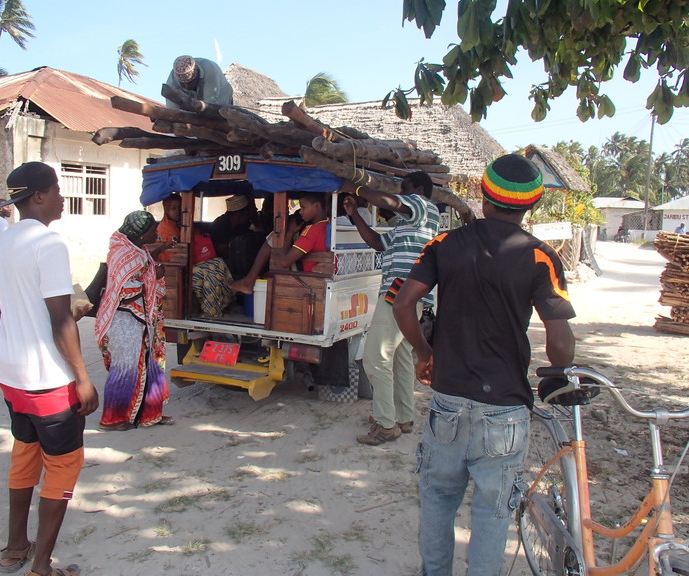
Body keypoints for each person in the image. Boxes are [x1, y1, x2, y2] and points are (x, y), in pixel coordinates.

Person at [392, 154, 576, 576]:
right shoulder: (541, 256)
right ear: (532, 205)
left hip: (449, 401)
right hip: (505, 409)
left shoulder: (445, 244)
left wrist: (424, 353)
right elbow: (560, 341)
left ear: (483, 195)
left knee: (438, 499)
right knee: (493, 512)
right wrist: (561, 370)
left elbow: (403, 304)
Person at [0, 162, 99, 576]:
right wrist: (83, 379)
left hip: (9, 375)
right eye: (58, 190)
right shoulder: (48, 244)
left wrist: (26, 315)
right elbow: (60, 319)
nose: (63, 198)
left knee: (25, 452)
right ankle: (42, 567)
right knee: (63, 465)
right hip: (48, 380)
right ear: (38, 196)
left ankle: (15, 547)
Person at [339, 173, 439, 446]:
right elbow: (376, 242)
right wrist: (354, 215)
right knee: (400, 358)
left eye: (405, 189)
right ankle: (403, 418)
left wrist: (357, 188)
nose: (401, 194)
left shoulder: (421, 205)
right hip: (408, 295)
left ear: (419, 189)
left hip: (400, 295)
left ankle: (385, 425)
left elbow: (392, 202)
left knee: (375, 358)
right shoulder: (410, 225)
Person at [94, 210, 174, 431]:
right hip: (125, 321)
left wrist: (155, 256)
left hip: (142, 320)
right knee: (125, 368)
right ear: (141, 234)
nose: (156, 233)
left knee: (151, 364)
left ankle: (150, 415)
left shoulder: (135, 250)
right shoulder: (126, 255)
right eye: (153, 230)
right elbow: (126, 292)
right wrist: (155, 276)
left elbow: (142, 266)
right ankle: (112, 419)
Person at [229, 192, 329, 294]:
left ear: (317, 206)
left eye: (303, 208)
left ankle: (248, 281)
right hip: (317, 272)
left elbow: (284, 263)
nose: (300, 212)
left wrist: (290, 232)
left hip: (305, 277)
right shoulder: (327, 225)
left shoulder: (312, 231)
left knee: (276, 235)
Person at [157, 193, 235, 318]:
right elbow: (172, 256)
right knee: (210, 272)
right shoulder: (166, 229)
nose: (177, 212)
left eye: (180, 208)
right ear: (166, 210)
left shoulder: (179, 225)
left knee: (218, 262)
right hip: (173, 271)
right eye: (173, 208)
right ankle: (211, 312)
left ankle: (225, 301)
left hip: (185, 266)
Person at [165, 55, 233, 109]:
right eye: (182, 84)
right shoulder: (172, 82)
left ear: (197, 75)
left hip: (221, 101)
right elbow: (172, 109)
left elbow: (209, 104)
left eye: (189, 83)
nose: (186, 86)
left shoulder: (210, 71)